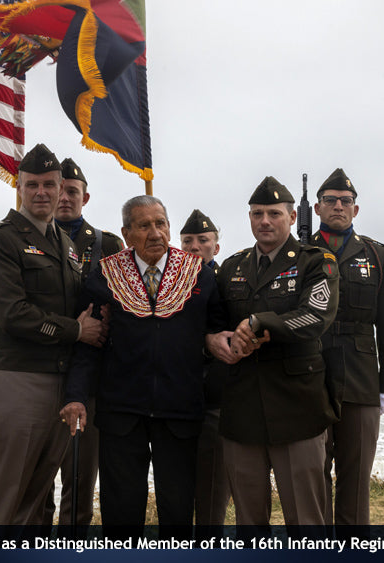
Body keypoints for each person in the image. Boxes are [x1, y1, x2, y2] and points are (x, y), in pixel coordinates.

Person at [61, 196, 226, 542]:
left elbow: (216, 336)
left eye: (161, 223)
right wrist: (75, 396)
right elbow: (87, 345)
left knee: (178, 510)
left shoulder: (200, 276)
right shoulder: (105, 276)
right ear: (126, 232)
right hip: (122, 411)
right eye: (144, 225)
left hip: (180, 412)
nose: (155, 233)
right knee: (121, 513)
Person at [0, 143, 106, 538]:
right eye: (33, 185)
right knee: (3, 496)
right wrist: (76, 330)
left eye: (51, 184)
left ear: (64, 187)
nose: (43, 193)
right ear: (20, 188)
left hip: (61, 382)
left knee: (33, 499)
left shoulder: (64, 245)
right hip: (18, 379)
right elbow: (11, 314)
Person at [209, 176, 340, 534]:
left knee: (306, 520)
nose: (264, 221)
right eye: (257, 213)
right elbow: (215, 322)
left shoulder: (317, 262)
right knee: (249, 521)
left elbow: (315, 317)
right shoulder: (233, 267)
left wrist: (257, 322)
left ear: (292, 216)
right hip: (242, 407)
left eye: (273, 213)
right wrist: (213, 341)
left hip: (297, 408)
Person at [311, 168, 384, 529]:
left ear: (355, 210)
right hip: (311, 376)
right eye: (330, 201)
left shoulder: (378, 255)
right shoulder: (301, 252)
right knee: (313, 475)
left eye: (345, 201)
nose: (338, 206)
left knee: (356, 478)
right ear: (317, 208)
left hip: (362, 380)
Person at [44, 157, 123, 535]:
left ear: (85, 197)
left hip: (91, 370)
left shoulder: (107, 243)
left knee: (79, 475)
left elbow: (126, 300)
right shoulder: (29, 241)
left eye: (72, 191)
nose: (64, 197)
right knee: (38, 475)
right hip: (42, 364)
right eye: (59, 189)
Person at [179, 210, 230, 542]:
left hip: (214, 397)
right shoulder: (169, 283)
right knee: (178, 485)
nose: (195, 246)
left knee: (213, 487)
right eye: (187, 241)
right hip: (176, 398)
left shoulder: (228, 282)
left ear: (216, 247)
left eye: (203, 240)